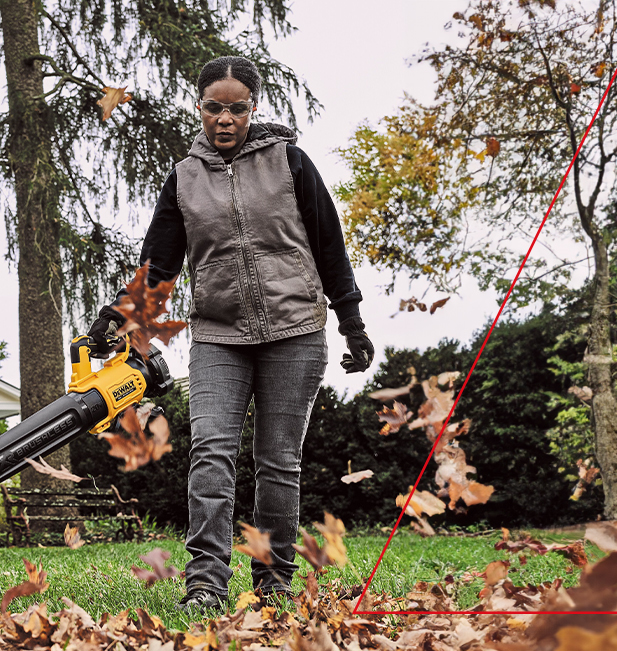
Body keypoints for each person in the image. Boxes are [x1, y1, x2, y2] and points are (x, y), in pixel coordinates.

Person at [87, 55, 374, 614]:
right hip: (219, 333)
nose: (225, 118)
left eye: (236, 108)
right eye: (214, 107)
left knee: (277, 462)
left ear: (253, 107)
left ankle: (271, 578)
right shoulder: (184, 177)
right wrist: (118, 316)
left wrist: (352, 321)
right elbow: (160, 265)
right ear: (199, 108)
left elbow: (328, 244)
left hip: (295, 329)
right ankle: (206, 582)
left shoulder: (290, 162)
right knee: (211, 451)